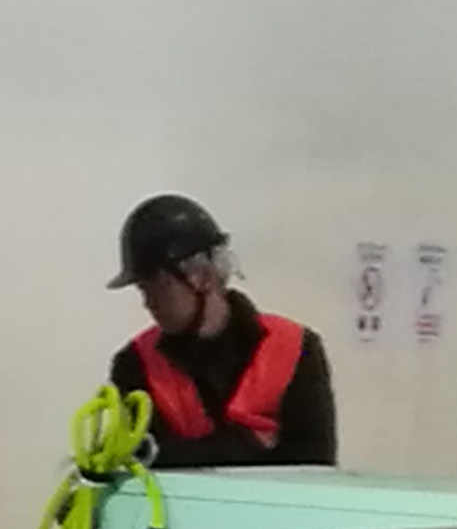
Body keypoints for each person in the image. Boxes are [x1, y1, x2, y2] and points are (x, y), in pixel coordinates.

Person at [103, 192, 336, 469]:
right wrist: (253, 444)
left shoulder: (295, 348)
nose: (148, 302)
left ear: (203, 277)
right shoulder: (134, 365)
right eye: (143, 289)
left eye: (160, 286)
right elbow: (142, 463)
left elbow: (313, 466)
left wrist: (187, 451)